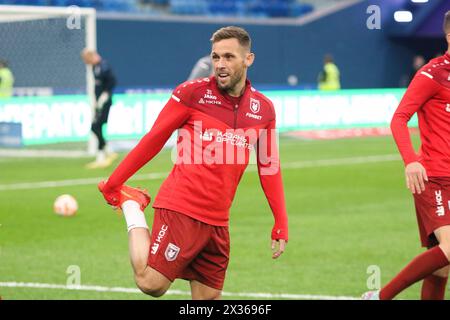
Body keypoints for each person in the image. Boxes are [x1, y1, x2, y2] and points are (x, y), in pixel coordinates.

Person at [97, 26, 289, 300]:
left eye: (229, 57)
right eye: (216, 57)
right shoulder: (191, 94)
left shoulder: (264, 109)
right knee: (151, 282)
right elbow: (154, 139)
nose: (220, 65)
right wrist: (115, 184)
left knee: (207, 299)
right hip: (181, 209)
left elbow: (269, 166)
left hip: (218, 221)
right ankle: (132, 204)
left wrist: (280, 220)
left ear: (249, 59)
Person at [363, 11, 450, 300]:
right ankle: (380, 296)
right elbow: (399, 118)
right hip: (435, 176)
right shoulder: (432, 73)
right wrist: (411, 160)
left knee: (441, 267)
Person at [81, 49, 118, 169]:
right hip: (99, 102)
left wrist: (105, 95)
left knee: (95, 126)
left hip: (105, 101)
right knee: (97, 127)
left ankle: (105, 152)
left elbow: (112, 81)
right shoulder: (95, 67)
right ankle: (104, 153)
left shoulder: (104, 66)